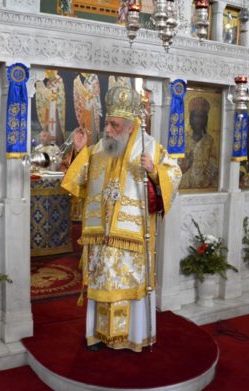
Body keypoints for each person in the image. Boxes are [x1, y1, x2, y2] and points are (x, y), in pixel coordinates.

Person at [61, 86, 181, 352]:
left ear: (129, 126)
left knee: (128, 286)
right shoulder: (100, 148)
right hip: (101, 236)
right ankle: (98, 336)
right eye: (107, 123)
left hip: (131, 239)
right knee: (102, 281)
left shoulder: (150, 147)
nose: (108, 129)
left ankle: (132, 338)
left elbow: (174, 175)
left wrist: (154, 171)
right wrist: (79, 150)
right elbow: (79, 181)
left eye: (114, 125)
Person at [178, 97, 218, 190]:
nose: (198, 121)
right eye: (195, 116)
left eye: (201, 117)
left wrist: (207, 176)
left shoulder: (209, 140)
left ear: (206, 119)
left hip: (204, 186)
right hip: (183, 185)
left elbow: (214, 163)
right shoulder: (182, 138)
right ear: (191, 118)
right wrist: (184, 165)